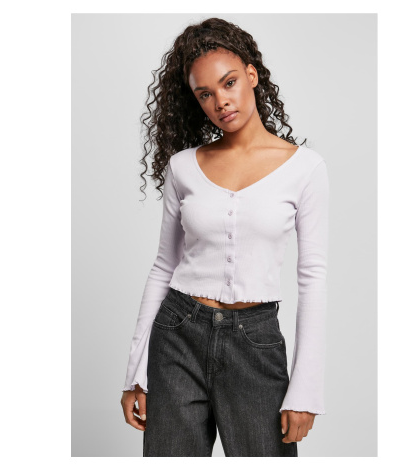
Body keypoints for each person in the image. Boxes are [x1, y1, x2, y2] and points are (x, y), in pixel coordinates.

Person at [120, 17, 329, 457]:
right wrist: (135, 371)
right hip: (177, 335)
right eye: (205, 94)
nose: (221, 101)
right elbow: (163, 266)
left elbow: (312, 276)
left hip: (255, 342)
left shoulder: (305, 168)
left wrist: (306, 389)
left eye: (229, 82)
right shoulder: (182, 167)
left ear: (251, 75)